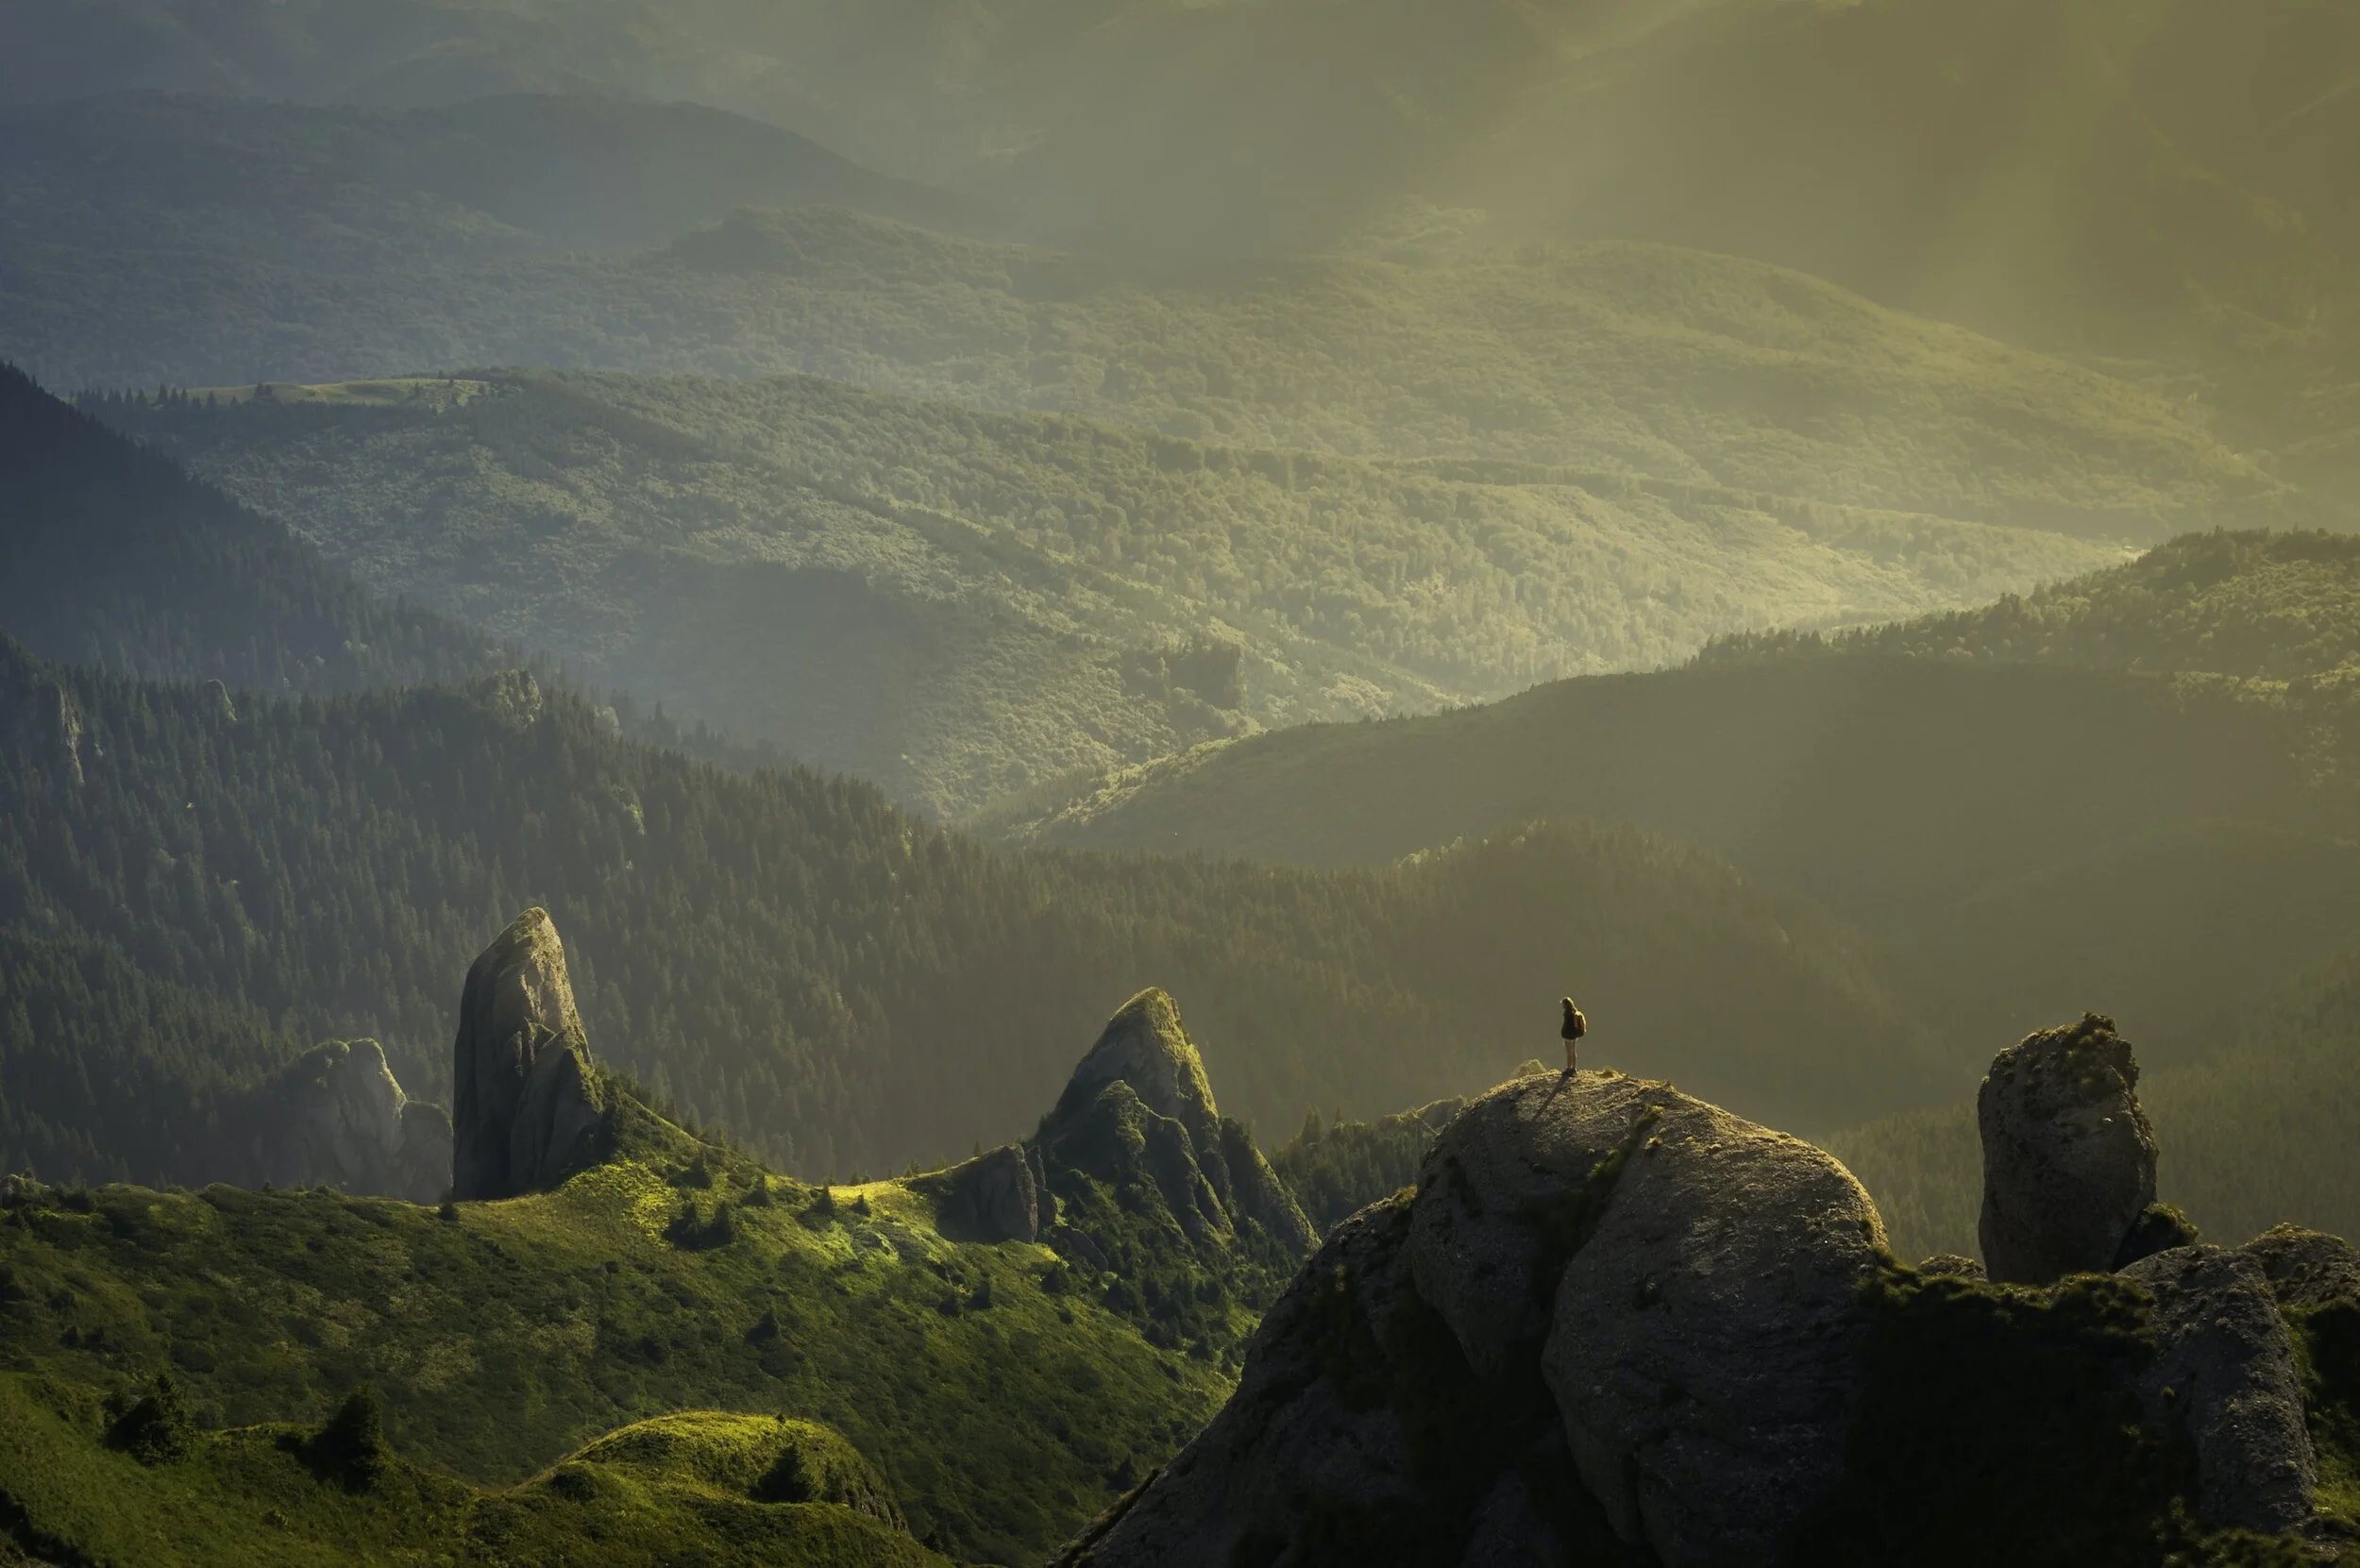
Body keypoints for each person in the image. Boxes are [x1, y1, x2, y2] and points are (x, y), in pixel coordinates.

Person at [1560, 997, 1587, 1073]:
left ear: (1566, 1004)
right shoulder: (1575, 1011)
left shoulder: (1567, 1013)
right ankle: (1574, 1068)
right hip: (1575, 1035)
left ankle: (1568, 1068)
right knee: (1573, 1051)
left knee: (1568, 1052)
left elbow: (1566, 1025)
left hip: (1568, 1035)